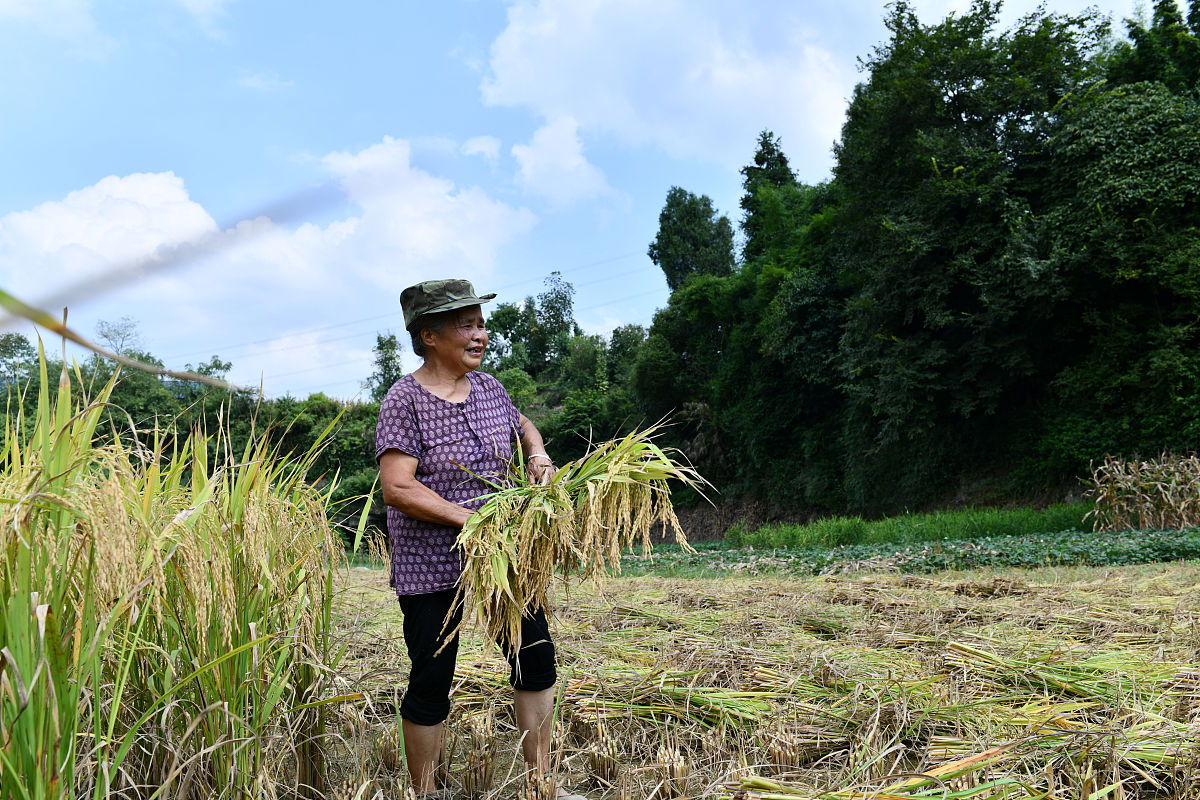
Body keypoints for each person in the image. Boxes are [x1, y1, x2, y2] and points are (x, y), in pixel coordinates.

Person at [375, 279, 577, 799]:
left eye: (480, 324)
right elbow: (397, 488)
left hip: (502, 557)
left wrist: (536, 453)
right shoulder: (405, 400)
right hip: (432, 564)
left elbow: (523, 424)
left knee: (535, 659)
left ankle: (540, 784)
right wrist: (471, 521)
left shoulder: (488, 388)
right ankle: (423, 792)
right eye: (466, 325)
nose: (480, 335)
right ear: (429, 335)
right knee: (432, 678)